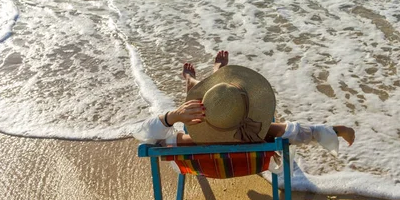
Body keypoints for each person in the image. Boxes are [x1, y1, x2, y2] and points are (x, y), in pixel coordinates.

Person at [135, 51, 355, 152]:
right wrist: (336, 130)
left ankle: (194, 82)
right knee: (231, 100)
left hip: (205, 160)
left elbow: (149, 140)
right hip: (251, 157)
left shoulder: (189, 141)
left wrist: (171, 116)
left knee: (200, 107)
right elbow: (301, 131)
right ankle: (213, 77)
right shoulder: (261, 131)